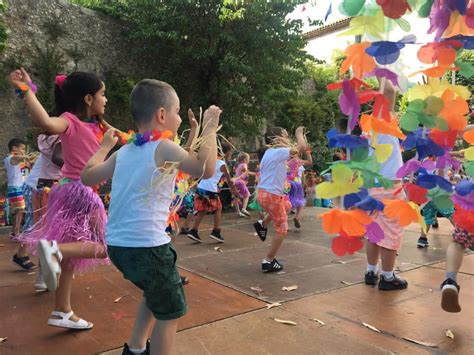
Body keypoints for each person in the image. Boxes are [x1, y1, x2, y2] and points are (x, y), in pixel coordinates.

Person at [81, 79, 221, 355]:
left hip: (119, 247)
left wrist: (103, 147)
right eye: (177, 111)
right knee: (170, 312)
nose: (180, 118)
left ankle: (134, 348)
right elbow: (204, 168)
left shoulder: (125, 151)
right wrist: (210, 128)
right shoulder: (162, 148)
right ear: (161, 115)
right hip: (148, 248)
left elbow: (87, 176)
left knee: (153, 292)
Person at [10, 68, 113, 329]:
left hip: (68, 191)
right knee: (106, 245)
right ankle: (54, 250)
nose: (106, 99)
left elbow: (130, 139)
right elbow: (46, 122)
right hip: (81, 192)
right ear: (88, 98)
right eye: (103, 94)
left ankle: (62, 311)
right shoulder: (69, 121)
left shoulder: (98, 125)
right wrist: (26, 90)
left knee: (72, 258)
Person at [364, 80, 408, 290]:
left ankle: (371, 271)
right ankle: (388, 277)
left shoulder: (368, 127)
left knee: (374, 229)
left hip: (373, 185)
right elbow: (389, 90)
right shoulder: (384, 121)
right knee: (391, 229)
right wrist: (383, 66)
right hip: (389, 184)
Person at [253, 126, 306, 272]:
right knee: (282, 229)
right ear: (278, 139)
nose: (288, 138)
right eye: (286, 136)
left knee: (287, 205)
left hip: (265, 193)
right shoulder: (277, 152)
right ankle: (268, 260)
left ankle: (262, 224)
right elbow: (301, 148)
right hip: (272, 195)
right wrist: (299, 134)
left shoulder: (270, 153)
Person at [186, 141, 238, 243]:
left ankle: (193, 230)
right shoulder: (222, 164)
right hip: (210, 189)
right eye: (230, 152)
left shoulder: (209, 161)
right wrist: (235, 191)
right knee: (218, 208)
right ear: (225, 153)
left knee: (203, 210)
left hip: (201, 188)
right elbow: (229, 180)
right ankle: (216, 231)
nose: (230, 155)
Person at [5, 138, 37, 270]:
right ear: (14, 149)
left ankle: (15, 231)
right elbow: (19, 159)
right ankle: (16, 232)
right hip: (15, 187)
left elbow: (24, 165)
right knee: (21, 210)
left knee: (20, 210)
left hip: (19, 187)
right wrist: (28, 157)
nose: (24, 151)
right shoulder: (10, 158)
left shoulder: (16, 160)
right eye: (22, 148)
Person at [288, 147, 312, 228]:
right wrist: (308, 152)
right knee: (300, 200)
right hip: (296, 183)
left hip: (286, 183)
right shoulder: (297, 161)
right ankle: (297, 217)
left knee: (287, 202)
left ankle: (284, 222)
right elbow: (309, 162)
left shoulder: (285, 160)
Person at [233, 152, 256, 217]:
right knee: (247, 195)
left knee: (236, 197)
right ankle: (243, 209)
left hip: (236, 182)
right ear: (245, 159)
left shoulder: (239, 165)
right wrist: (255, 174)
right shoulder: (244, 165)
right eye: (248, 159)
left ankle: (238, 212)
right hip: (240, 182)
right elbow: (246, 172)